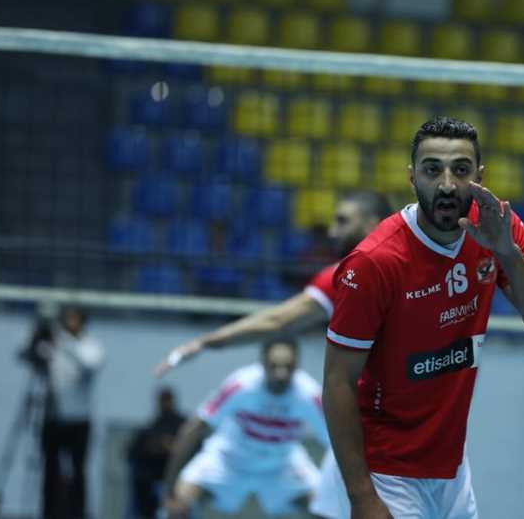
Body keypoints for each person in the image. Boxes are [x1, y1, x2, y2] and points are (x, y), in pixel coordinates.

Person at [318, 116, 524, 519]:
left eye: (461, 170)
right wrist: (362, 497)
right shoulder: (374, 262)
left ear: (480, 176)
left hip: (451, 469)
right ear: (412, 177)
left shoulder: (500, 229)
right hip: (387, 471)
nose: (447, 184)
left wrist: (507, 253)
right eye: (432, 170)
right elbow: (337, 381)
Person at [154, 190, 392, 376]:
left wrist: (203, 342)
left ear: (372, 224)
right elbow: (277, 321)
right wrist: (206, 342)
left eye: (342, 221)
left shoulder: (350, 275)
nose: (332, 232)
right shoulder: (352, 275)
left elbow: (276, 321)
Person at [161, 338, 330, 518]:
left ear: (297, 365)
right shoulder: (241, 385)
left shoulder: (309, 394)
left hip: (281, 465)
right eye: (274, 366)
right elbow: (194, 429)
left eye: (288, 367)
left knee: (327, 510)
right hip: (229, 461)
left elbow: (337, 443)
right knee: (176, 508)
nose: (281, 374)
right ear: (262, 363)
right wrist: (169, 489)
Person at [38, 305, 105, 519]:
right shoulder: (54, 343)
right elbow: (31, 355)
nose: (70, 324)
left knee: (78, 472)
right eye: (67, 319)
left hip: (79, 419)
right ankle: (48, 513)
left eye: (74, 319)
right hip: (53, 417)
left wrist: (64, 342)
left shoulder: (91, 346)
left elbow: (90, 364)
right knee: (50, 471)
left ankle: (77, 514)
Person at [127, 387, 185, 519]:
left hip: (177, 476)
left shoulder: (182, 425)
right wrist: (156, 446)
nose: (165, 404)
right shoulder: (153, 425)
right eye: (162, 400)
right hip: (153, 476)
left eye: (167, 400)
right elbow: (134, 450)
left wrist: (173, 447)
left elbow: (189, 447)